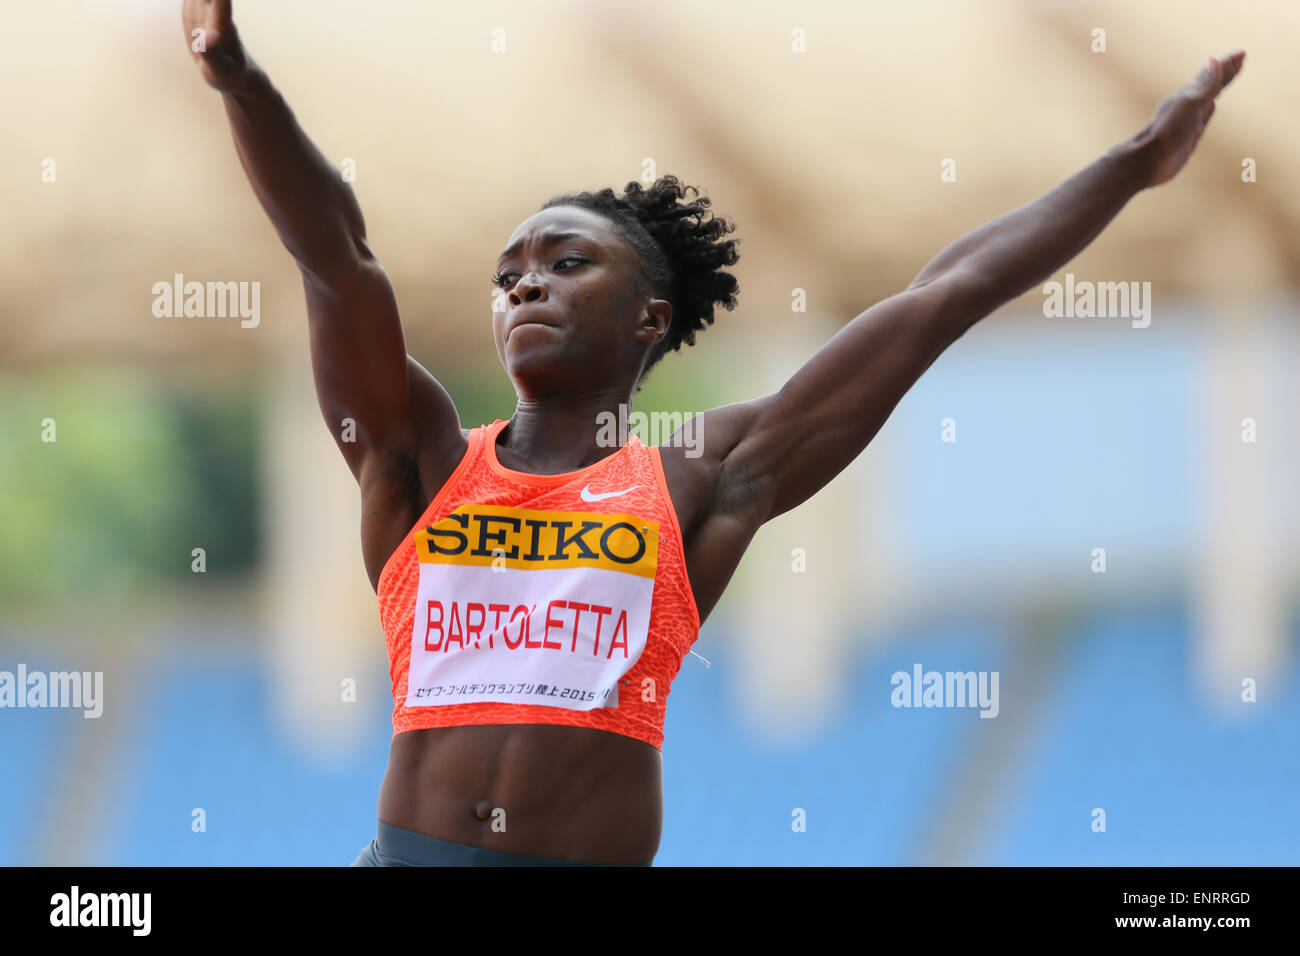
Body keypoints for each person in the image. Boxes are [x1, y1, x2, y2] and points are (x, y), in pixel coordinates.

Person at [180, 0, 1243, 866]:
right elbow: (338, 261)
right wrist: (238, 80)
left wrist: (1129, 163)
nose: (526, 284)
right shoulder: (417, 462)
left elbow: (941, 297)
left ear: (651, 317)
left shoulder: (707, 477)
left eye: (564, 262)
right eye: (509, 274)